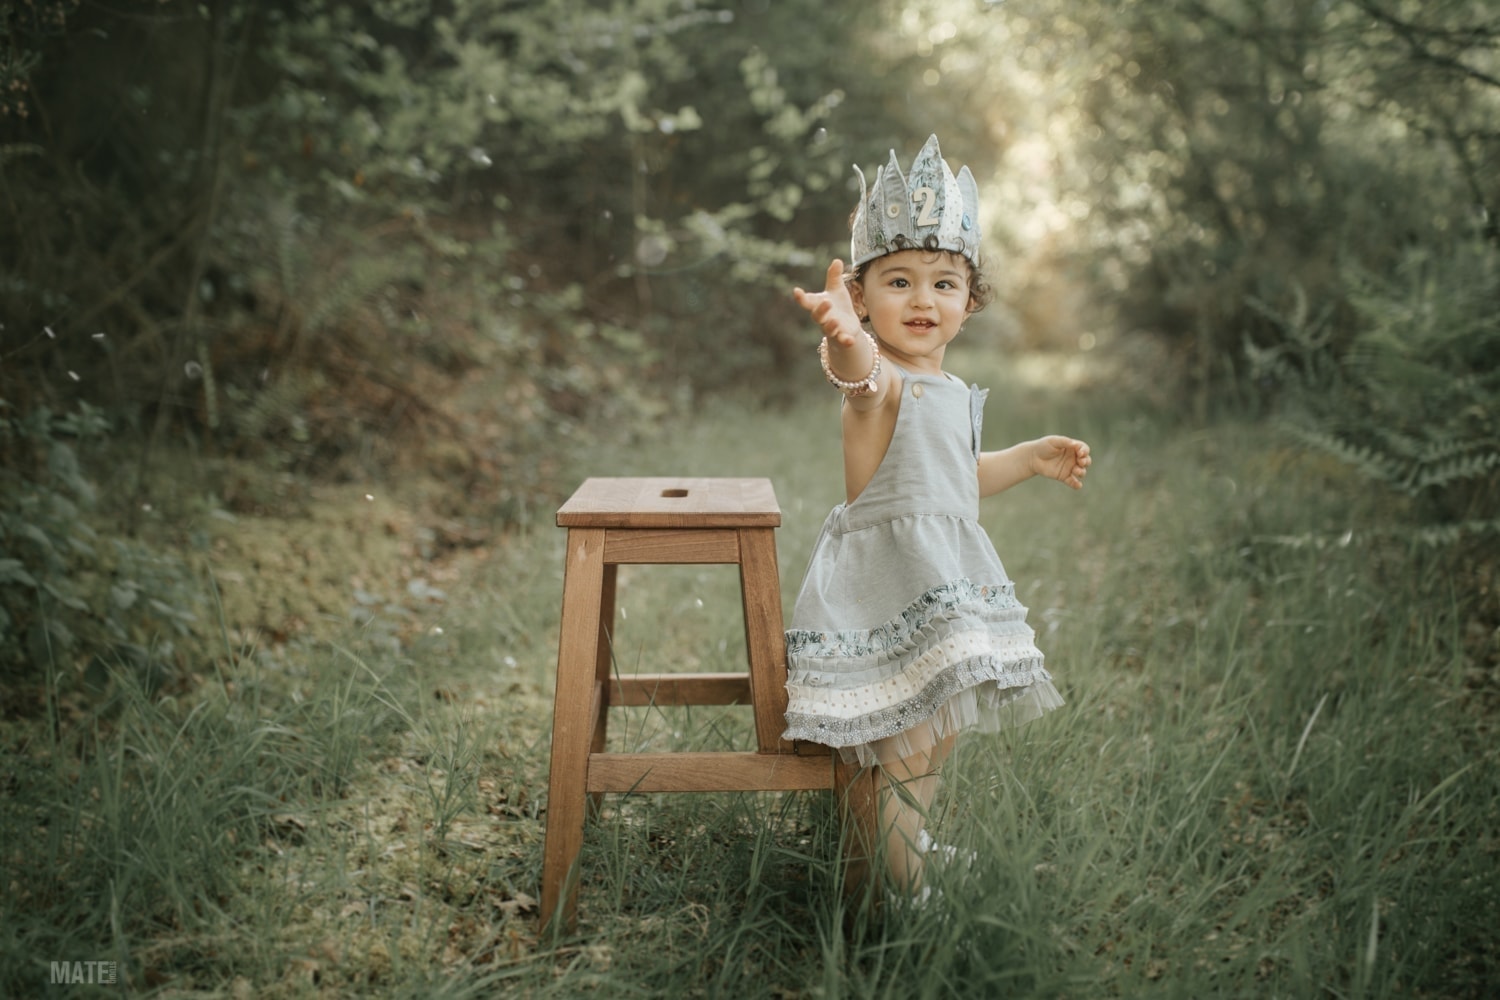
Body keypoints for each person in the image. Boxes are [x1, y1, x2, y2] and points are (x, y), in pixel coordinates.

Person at [785, 134, 1091, 906]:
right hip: (888, 589)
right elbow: (857, 378)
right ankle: (900, 890)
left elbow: (950, 483)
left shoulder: (952, 389)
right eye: (898, 281)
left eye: (944, 283)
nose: (923, 301)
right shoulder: (882, 379)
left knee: (928, 740)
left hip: (940, 583)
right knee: (898, 752)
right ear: (861, 294)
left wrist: (1023, 458)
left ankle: (898, 854)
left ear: (970, 300)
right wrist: (844, 338)